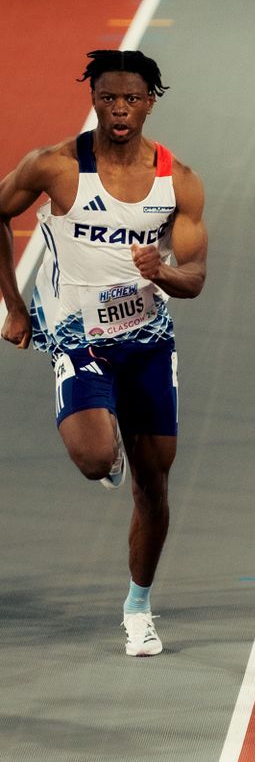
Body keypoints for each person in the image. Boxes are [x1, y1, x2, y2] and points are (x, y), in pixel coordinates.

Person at [0, 50, 208, 656]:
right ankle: (101, 433)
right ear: (94, 99)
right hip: (75, 334)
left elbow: (195, 278)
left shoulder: (180, 181)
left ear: (150, 101)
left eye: (131, 99)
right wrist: (15, 306)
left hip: (146, 338)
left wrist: (163, 271)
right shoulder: (56, 168)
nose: (119, 109)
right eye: (107, 98)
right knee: (95, 459)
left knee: (155, 482)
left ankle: (139, 605)